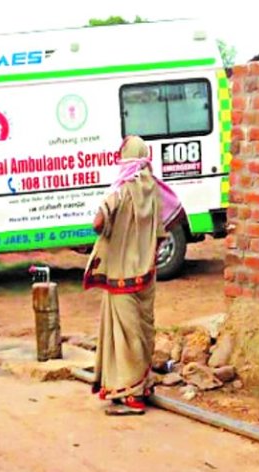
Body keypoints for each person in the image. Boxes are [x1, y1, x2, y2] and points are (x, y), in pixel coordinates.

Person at [83, 135, 183, 416]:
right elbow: (171, 222)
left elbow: (98, 222)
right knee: (142, 328)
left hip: (120, 275)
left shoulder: (122, 189)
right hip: (146, 274)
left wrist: (111, 233)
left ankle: (131, 395)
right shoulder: (155, 190)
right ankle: (143, 384)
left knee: (125, 335)